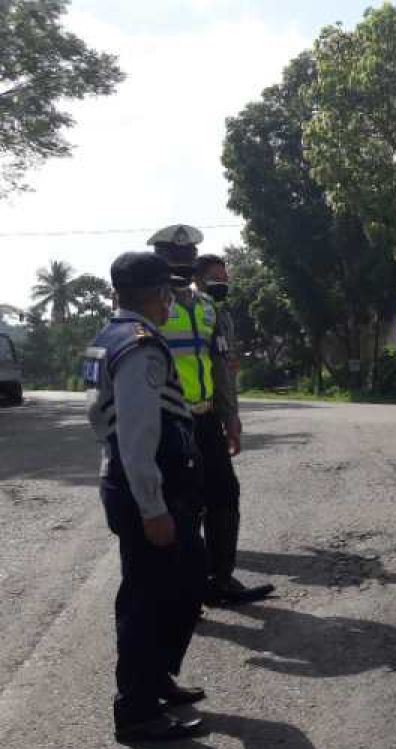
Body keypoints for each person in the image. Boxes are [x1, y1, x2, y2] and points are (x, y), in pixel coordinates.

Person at [84, 252, 207, 743]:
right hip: (148, 488)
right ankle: (137, 710)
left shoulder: (107, 336)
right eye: (169, 292)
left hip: (130, 481)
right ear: (156, 294)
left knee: (182, 581)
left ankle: (155, 680)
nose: (173, 300)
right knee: (148, 598)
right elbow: (137, 433)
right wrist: (152, 506)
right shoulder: (140, 347)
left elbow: (100, 419)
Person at [148, 225, 272, 607]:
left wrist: (231, 417)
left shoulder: (205, 307)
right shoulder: (150, 306)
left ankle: (220, 580)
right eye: (173, 260)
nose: (181, 267)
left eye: (186, 260)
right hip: (167, 422)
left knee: (224, 495)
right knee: (182, 507)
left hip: (205, 420)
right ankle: (183, 591)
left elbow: (220, 366)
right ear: (158, 261)